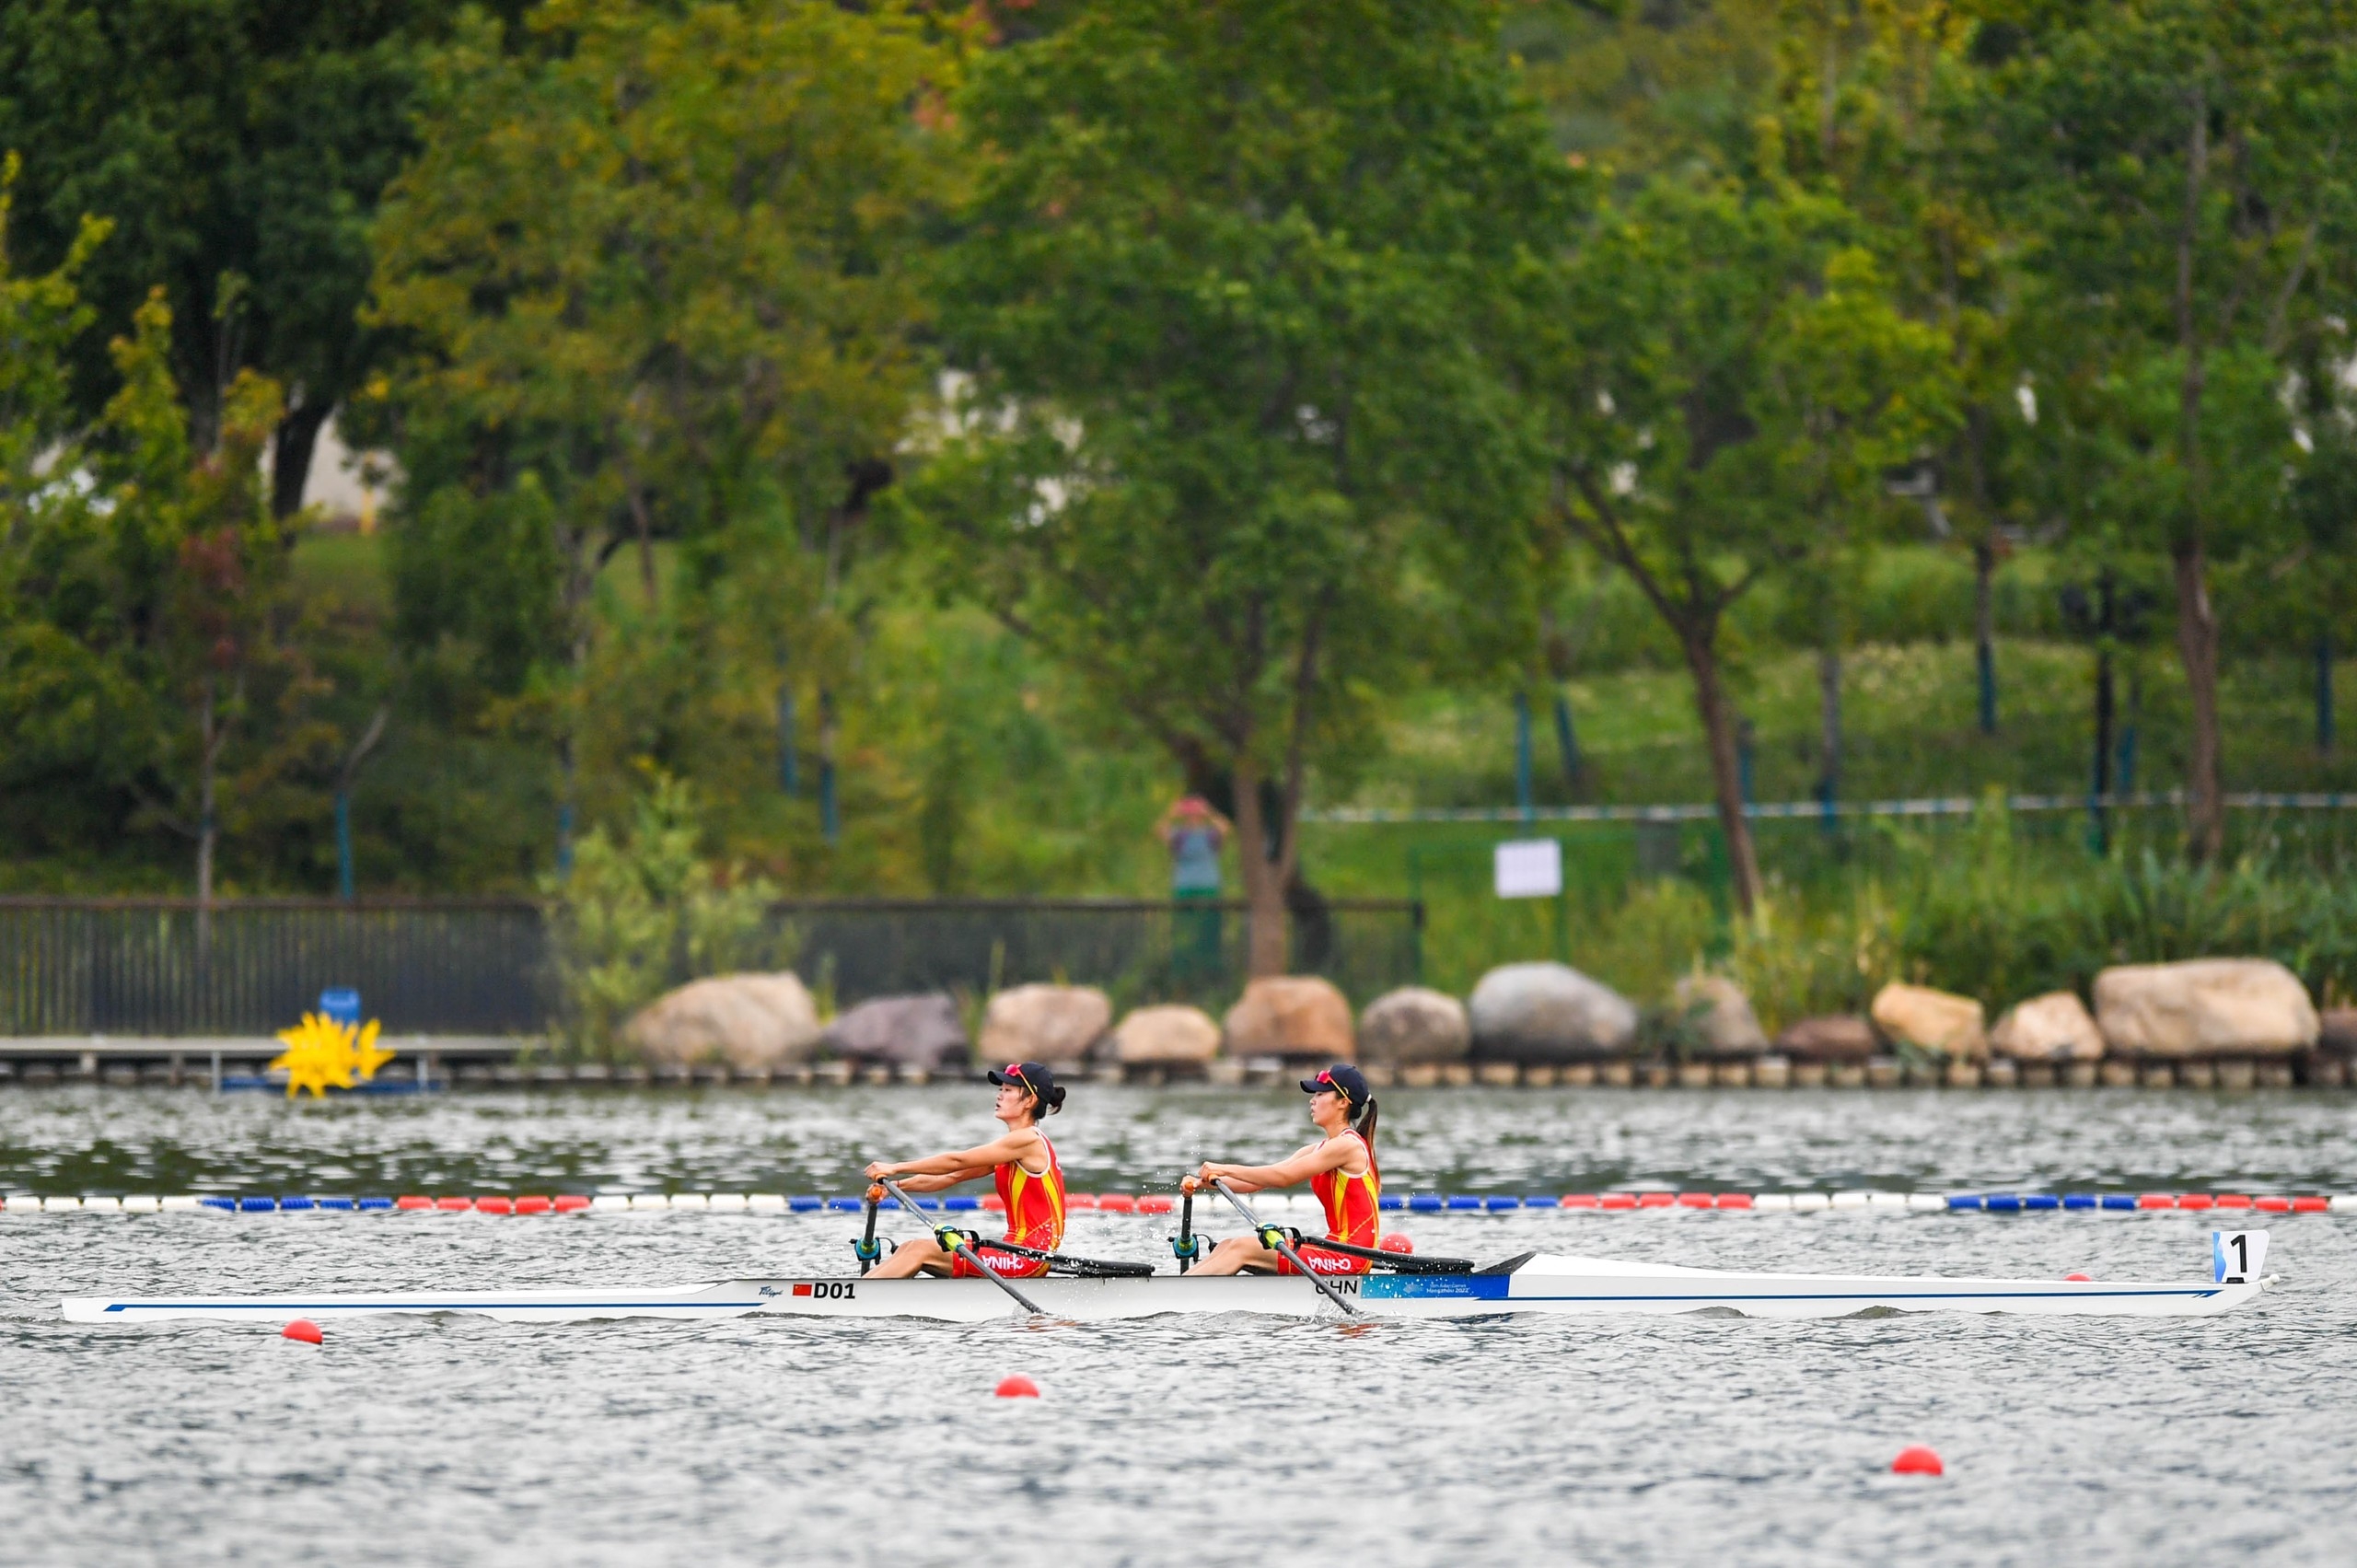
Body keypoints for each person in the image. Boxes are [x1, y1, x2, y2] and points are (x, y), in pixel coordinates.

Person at [861, 1063, 1069, 1278]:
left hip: (1029, 1257)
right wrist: (896, 1187)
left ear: (1030, 1100)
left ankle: (853, 1297)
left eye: (1008, 1090)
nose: (999, 1096)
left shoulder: (1028, 1139)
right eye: (1000, 1090)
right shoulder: (1011, 1149)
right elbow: (951, 1176)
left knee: (920, 1250)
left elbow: (957, 1161)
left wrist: (895, 1167)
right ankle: (859, 1290)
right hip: (1012, 1251)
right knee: (909, 1246)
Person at [1189, 1063, 1379, 1276]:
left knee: (1241, 1248)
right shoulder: (1320, 1149)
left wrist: (1224, 1168)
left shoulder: (1347, 1145)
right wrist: (1204, 1184)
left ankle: (1172, 1298)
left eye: (1319, 1094)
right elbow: (1260, 1180)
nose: (1312, 1100)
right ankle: (1179, 1288)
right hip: (1332, 1248)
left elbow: (1284, 1178)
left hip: (1351, 1258)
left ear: (1343, 1102)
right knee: (1227, 1245)